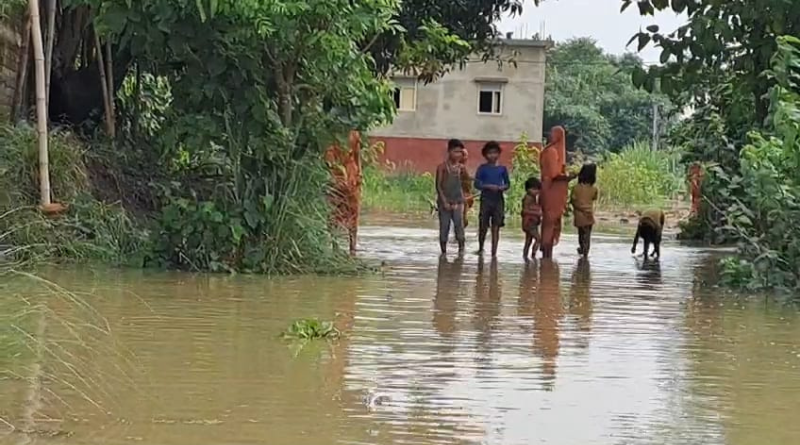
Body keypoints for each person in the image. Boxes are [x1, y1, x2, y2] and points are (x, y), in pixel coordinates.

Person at [539, 126, 575, 259]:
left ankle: (546, 254)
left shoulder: (553, 151)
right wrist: (570, 177)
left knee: (551, 222)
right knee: (550, 222)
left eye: (554, 134)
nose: (551, 136)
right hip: (551, 191)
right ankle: (546, 254)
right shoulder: (552, 152)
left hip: (552, 190)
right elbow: (554, 174)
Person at [325, 130, 362, 254]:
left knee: (353, 215)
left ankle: (353, 248)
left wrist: (359, 175)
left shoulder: (354, 134)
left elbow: (357, 156)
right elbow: (329, 162)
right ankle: (335, 246)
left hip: (352, 183)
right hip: (337, 183)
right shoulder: (333, 137)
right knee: (334, 214)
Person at [474, 141, 510, 257]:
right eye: (490, 153)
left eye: (495, 153)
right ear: (485, 155)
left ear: (499, 154)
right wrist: (488, 186)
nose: (492, 156)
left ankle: (494, 253)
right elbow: (477, 184)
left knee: (496, 226)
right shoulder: (482, 168)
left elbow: (508, 184)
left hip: (498, 200)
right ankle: (481, 248)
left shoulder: (502, 169)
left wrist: (502, 187)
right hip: (486, 199)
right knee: (483, 225)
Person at [435, 139, 470, 255]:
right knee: (444, 228)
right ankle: (443, 253)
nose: (458, 154)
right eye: (455, 152)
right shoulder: (442, 167)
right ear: (449, 152)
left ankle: (461, 252)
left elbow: (466, 185)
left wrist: (465, 199)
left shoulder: (462, 169)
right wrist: (444, 201)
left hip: (458, 202)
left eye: (460, 152)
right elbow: (439, 186)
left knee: (459, 227)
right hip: (444, 202)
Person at [571, 163, 598, 257]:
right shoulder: (594, 189)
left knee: (581, 234)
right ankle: (585, 255)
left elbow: (573, 200)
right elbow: (594, 198)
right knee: (587, 236)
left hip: (579, 214)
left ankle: (582, 249)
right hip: (588, 214)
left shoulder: (575, 188)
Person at [521, 177, 543, 261]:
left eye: (537, 189)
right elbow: (524, 211)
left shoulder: (532, 198)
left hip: (531, 223)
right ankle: (533, 255)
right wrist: (537, 213)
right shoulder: (528, 198)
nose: (536, 192)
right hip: (529, 223)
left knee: (528, 241)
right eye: (534, 189)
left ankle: (525, 256)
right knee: (538, 239)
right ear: (528, 189)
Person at [459, 148, 475, 228]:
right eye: (464, 155)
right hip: (462, 196)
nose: (466, 157)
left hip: (465, 195)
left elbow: (465, 179)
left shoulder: (462, 167)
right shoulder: (460, 167)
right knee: (463, 220)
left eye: (466, 155)